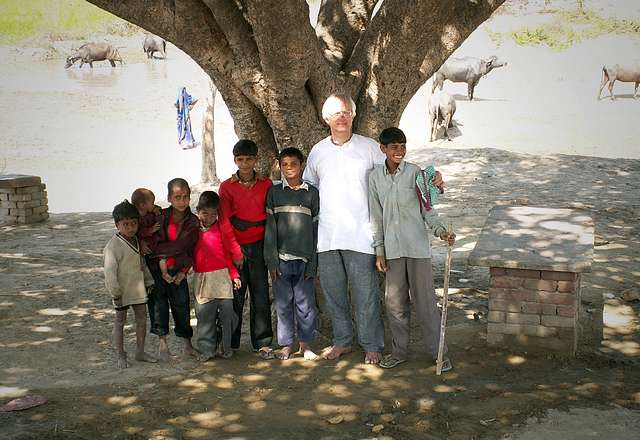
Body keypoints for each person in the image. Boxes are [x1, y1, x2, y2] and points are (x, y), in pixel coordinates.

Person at [303, 94, 444, 365]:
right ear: (326, 119)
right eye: (336, 113)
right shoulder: (318, 151)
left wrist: (430, 177)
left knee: (366, 295)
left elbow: (398, 173)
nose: (342, 117)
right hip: (328, 237)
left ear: (353, 115)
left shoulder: (369, 148)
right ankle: (343, 341)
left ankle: (372, 344)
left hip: (363, 236)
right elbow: (309, 187)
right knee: (334, 294)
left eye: (346, 112)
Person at [368, 127, 455, 371]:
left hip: (417, 250)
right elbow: (376, 216)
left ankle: (438, 353)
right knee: (394, 304)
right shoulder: (374, 178)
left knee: (426, 302)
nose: (400, 151)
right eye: (394, 146)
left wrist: (440, 231)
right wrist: (379, 251)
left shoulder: (416, 173)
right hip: (393, 252)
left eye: (403, 146)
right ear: (382, 149)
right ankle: (399, 352)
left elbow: (428, 208)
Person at [219, 139, 275, 359]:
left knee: (260, 294)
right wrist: (235, 252)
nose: (245, 164)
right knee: (236, 295)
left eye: (249, 159)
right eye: (240, 159)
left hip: (260, 247)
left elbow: (271, 218)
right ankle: (230, 342)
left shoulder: (266, 185)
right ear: (235, 160)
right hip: (237, 248)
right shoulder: (227, 187)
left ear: (256, 160)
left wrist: (269, 249)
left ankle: (262, 342)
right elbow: (224, 222)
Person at [264, 147, 320, 361]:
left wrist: (313, 262)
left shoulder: (311, 193)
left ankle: (305, 345)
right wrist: (271, 260)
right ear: (279, 166)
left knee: (306, 305)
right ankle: (287, 345)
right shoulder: (275, 193)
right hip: (281, 260)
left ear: (302, 165)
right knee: (283, 304)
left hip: (304, 260)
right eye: (284, 164)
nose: (289, 168)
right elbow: (270, 229)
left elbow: (315, 231)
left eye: (293, 164)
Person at [147, 178, 199, 360]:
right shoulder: (160, 216)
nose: (182, 201)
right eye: (177, 197)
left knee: (182, 306)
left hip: (179, 271)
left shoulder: (193, 221)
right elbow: (152, 240)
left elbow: (188, 247)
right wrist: (158, 253)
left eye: (185, 197)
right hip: (157, 271)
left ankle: (187, 345)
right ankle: (163, 345)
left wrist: (183, 271)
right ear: (169, 198)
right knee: (158, 306)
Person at [103, 200, 157, 368]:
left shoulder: (136, 241)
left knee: (142, 319)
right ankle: (121, 355)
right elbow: (109, 273)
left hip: (138, 289)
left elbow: (142, 264)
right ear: (116, 224)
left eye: (134, 223)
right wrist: (115, 293)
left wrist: (149, 281)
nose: (130, 227)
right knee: (120, 322)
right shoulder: (112, 247)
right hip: (121, 292)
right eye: (125, 224)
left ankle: (140, 352)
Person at [192, 191, 242, 361]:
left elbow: (227, 255)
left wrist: (234, 275)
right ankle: (207, 351)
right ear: (198, 211)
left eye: (214, 214)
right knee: (204, 316)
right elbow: (185, 253)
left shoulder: (220, 228)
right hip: (202, 279)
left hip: (222, 278)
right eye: (205, 213)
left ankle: (225, 347)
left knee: (228, 316)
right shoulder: (193, 231)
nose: (209, 217)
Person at [131, 188, 172, 283]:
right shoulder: (136, 218)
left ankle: (164, 273)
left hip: (155, 241)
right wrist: (150, 230)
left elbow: (159, 223)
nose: (154, 205)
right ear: (143, 205)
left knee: (163, 256)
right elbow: (138, 232)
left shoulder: (151, 213)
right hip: (146, 244)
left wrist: (158, 214)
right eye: (152, 202)